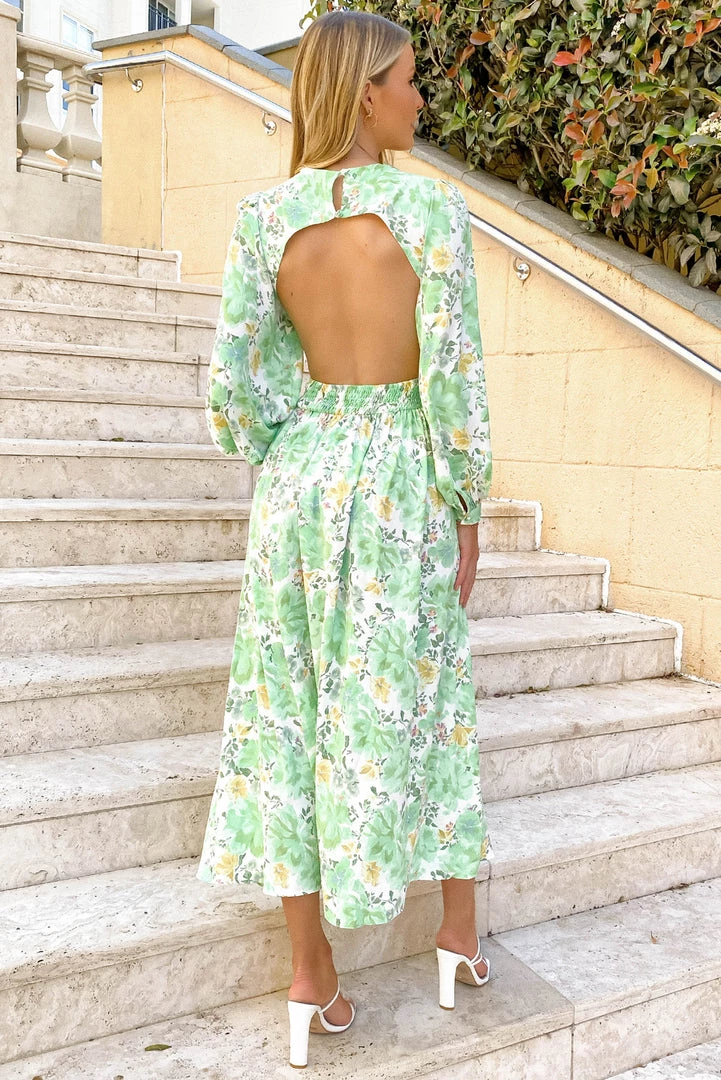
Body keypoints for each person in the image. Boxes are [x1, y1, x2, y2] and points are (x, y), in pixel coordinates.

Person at [196, 8, 495, 1069]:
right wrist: (466, 505)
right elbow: (452, 376)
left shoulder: (262, 220)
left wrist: (299, 434)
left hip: (298, 484)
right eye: (409, 80)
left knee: (288, 713)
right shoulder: (430, 212)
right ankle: (457, 932)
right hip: (402, 481)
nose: (420, 97)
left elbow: (234, 391)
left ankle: (309, 975)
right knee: (432, 698)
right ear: (367, 93)